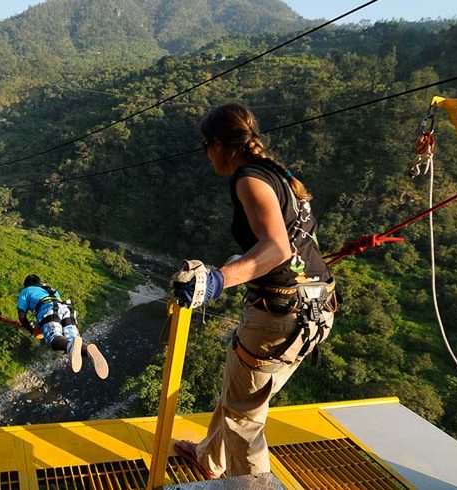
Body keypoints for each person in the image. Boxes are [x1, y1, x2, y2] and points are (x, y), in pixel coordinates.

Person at [171, 103, 337, 479]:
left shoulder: (248, 178)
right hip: (317, 307)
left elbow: (277, 248)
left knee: (244, 420)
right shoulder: (277, 173)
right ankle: (210, 459)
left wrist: (216, 280)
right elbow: (292, 242)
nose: (208, 155)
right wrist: (246, 261)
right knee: (240, 396)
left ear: (217, 144)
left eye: (206, 147)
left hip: (279, 316)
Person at [17, 274, 109, 379]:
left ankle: (70, 345)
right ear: (39, 282)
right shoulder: (50, 289)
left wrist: (30, 329)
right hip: (66, 309)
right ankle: (88, 349)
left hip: (48, 309)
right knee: (73, 341)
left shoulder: (26, 291)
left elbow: (22, 316)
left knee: (54, 338)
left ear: (27, 285)